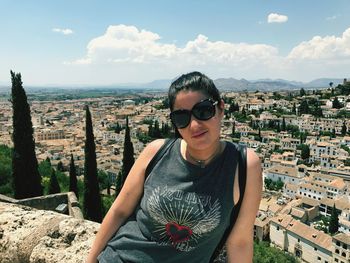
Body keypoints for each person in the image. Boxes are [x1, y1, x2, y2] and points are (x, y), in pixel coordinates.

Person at [87, 71, 262, 263]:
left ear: (221, 109)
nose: (194, 125)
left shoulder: (243, 164)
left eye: (203, 111)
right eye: (181, 117)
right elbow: (119, 211)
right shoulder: (156, 151)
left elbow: (240, 242)